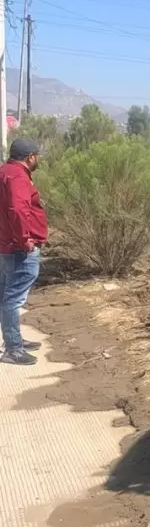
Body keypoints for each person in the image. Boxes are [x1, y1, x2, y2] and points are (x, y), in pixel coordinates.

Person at [0, 138, 48, 365]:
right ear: (30, 157)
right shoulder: (18, 176)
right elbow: (18, 210)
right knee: (13, 299)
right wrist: (25, 240)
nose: (37, 159)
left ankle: (13, 339)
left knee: (6, 296)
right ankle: (13, 349)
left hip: (5, 246)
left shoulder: (4, 172)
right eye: (37, 155)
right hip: (18, 248)